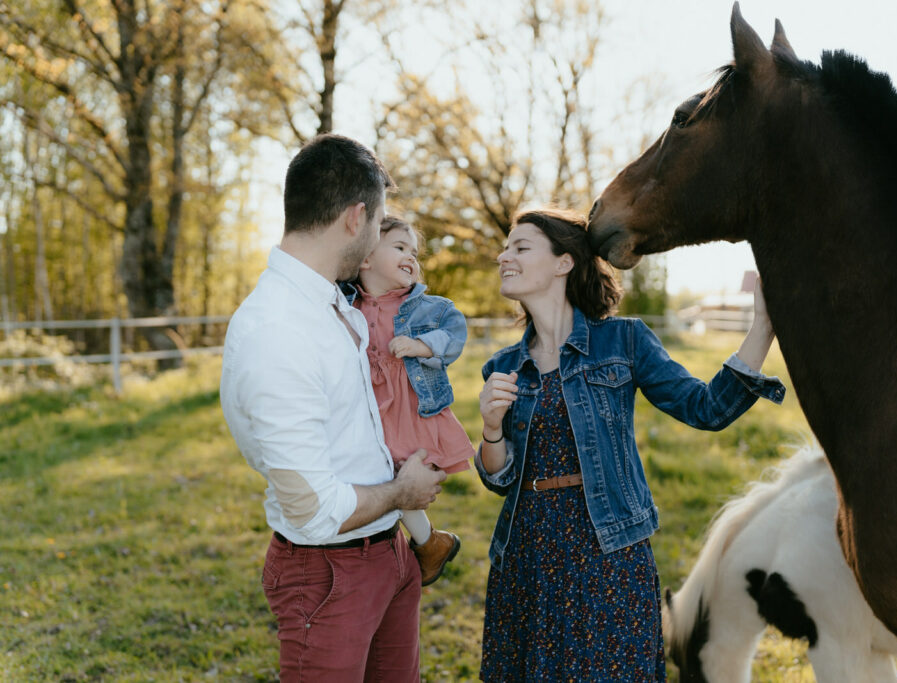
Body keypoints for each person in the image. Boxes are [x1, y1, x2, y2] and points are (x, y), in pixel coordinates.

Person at [475, 208, 786, 681]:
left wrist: (762, 327)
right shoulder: (504, 365)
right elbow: (500, 479)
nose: (504, 257)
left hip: (609, 548)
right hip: (529, 554)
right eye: (506, 248)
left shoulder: (624, 341)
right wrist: (491, 427)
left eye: (520, 247)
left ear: (563, 263)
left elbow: (706, 409)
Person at [220, 134, 445, 682]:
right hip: (328, 577)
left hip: (389, 555)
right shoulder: (277, 328)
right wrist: (403, 493)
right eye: (379, 223)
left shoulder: (333, 305)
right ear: (356, 217)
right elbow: (312, 509)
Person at [341, 215, 474, 585]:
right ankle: (429, 542)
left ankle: (427, 542)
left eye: (414, 253)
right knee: (379, 473)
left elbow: (455, 331)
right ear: (365, 259)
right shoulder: (343, 303)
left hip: (407, 410)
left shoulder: (427, 307)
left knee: (399, 473)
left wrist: (423, 346)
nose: (411, 258)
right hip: (369, 412)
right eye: (400, 247)